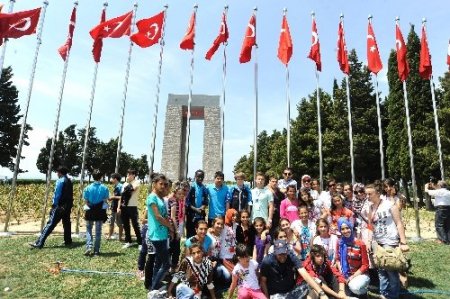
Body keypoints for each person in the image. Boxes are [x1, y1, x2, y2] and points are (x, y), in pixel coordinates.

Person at [365, 182, 409, 299]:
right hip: (377, 242)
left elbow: (399, 223)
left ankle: (393, 295)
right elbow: (370, 226)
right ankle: (384, 294)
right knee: (381, 270)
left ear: (378, 193)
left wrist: (403, 242)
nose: (368, 196)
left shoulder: (390, 205)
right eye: (367, 194)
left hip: (390, 241)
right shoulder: (370, 207)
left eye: (370, 194)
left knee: (391, 270)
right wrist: (369, 241)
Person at [260, 239, 329, 299]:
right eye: (279, 254)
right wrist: (266, 297)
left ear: (287, 251)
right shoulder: (267, 261)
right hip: (277, 295)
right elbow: (263, 281)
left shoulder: (291, 256)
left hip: (292, 290)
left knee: (315, 281)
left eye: (284, 253)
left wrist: (321, 293)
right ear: (275, 252)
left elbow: (304, 274)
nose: (282, 256)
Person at [29, 166, 73, 249]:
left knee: (50, 224)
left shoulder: (60, 181)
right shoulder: (69, 181)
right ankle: (68, 241)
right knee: (67, 223)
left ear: (60, 173)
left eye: (57, 172)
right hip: (68, 206)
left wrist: (54, 205)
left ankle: (39, 243)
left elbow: (57, 195)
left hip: (60, 206)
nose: (57, 174)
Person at [146, 173, 174, 291]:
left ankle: (154, 282)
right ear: (154, 184)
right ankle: (154, 286)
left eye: (164, 184)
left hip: (162, 234)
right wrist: (170, 227)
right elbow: (158, 216)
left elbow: (164, 215)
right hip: (156, 235)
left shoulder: (161, 198)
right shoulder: (152, 197)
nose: (162, 186)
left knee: (158, 262)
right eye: (160, 184)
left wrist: (169, 229)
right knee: (166, 264)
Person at [336, 218, 370, 299]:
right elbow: (338, 260)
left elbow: (365, 265)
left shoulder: (360, 244)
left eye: (347, 228)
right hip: (345, 274)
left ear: (351, 227)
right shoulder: (340, 243)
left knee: (354, 287)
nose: (345, 231)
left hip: (360, 274)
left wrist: (352, 277)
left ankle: (363, 292)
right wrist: (342, 274)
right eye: (342, 229)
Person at [83, 170, 109, 256]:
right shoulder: (104, 188)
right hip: (100, 211)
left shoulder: (87, 188)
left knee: (89, 229)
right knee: (98, 231)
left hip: (90, 210)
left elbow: (86, 201)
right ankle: (96, 251)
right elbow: (105, 200)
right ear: (101, 177)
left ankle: (89, 246)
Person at [119, 168, 142, 249]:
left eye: (130, 174)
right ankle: (128, 241)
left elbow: (132, 189)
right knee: (125, 224)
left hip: (132, 206)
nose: (128, 176)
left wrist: (126, 190)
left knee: (135, 225)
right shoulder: (124, 184)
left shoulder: (137, 182)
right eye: (127, 174)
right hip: (124, 206)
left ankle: (140, 243)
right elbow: (121, 196)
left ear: (134, 175)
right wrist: (119, 207)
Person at [169, 181, 189, 272]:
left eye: (182, 194)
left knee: (176, 246)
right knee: (172, 246)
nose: (182, 195)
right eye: (179, 194)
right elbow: (173, 217)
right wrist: (176, 230)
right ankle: (170, 266)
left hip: (179, 224)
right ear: (175, 193)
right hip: (173, 227)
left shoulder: (181, 200)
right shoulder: (173, 201)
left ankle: (174, 265)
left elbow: (182, 214)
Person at [425, 180, 450, 244]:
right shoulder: (448, 192)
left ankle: (442, 240)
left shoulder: (439, 192)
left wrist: (426, 187)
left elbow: (428, 192)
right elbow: (437, 191)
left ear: (439, 186)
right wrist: (433, 187)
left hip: (441, 209)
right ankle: (448, 239)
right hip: (448, 208)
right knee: (447, 225)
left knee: (439, 224)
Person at [186, 170, 209, 238]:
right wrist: (196, 209)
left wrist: (203, 207)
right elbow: (186, 202)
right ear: (195, 176)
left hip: (201, 216)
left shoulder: (204, 188)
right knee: (191, 236)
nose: (200, 178)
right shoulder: (191, 187)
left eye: (202, 177)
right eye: (198, 177)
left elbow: (206, 201)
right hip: (191, 216)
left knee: (200, 236)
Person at [107, 173, 123, 241]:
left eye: (111, 178)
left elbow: (122, 197)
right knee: (111, 222)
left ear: (115, 179)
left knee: (119, 223)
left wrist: (113, 197)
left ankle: (120, 238)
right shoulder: (116, 186)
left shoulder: (120, 186)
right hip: (114, 207)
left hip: (118, 208)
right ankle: (109, 236)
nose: (110, 179)